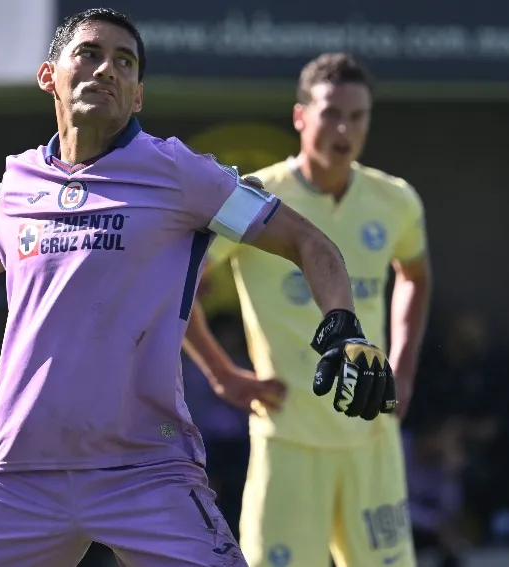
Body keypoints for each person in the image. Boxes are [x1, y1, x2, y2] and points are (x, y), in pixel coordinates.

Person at [0, 11, 396, 567]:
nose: (107, 68)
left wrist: (344, 328)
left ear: (137, 94)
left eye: (125, 62)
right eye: (88, 54)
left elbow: (309, 244)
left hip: (147, 472)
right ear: (48, 77)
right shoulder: (18, 182)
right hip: (17, 473)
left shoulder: (183, 173)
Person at [184, 53, 431, 567]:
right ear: (301, 117)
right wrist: (222, 374)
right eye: (330, 112)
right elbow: (178, 287)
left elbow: (415, 275)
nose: (344, 128)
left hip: (372, 434)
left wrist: (402, 370)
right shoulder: (253, 198)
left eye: (357, 115)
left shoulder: (396, 199)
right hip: (287, 436)